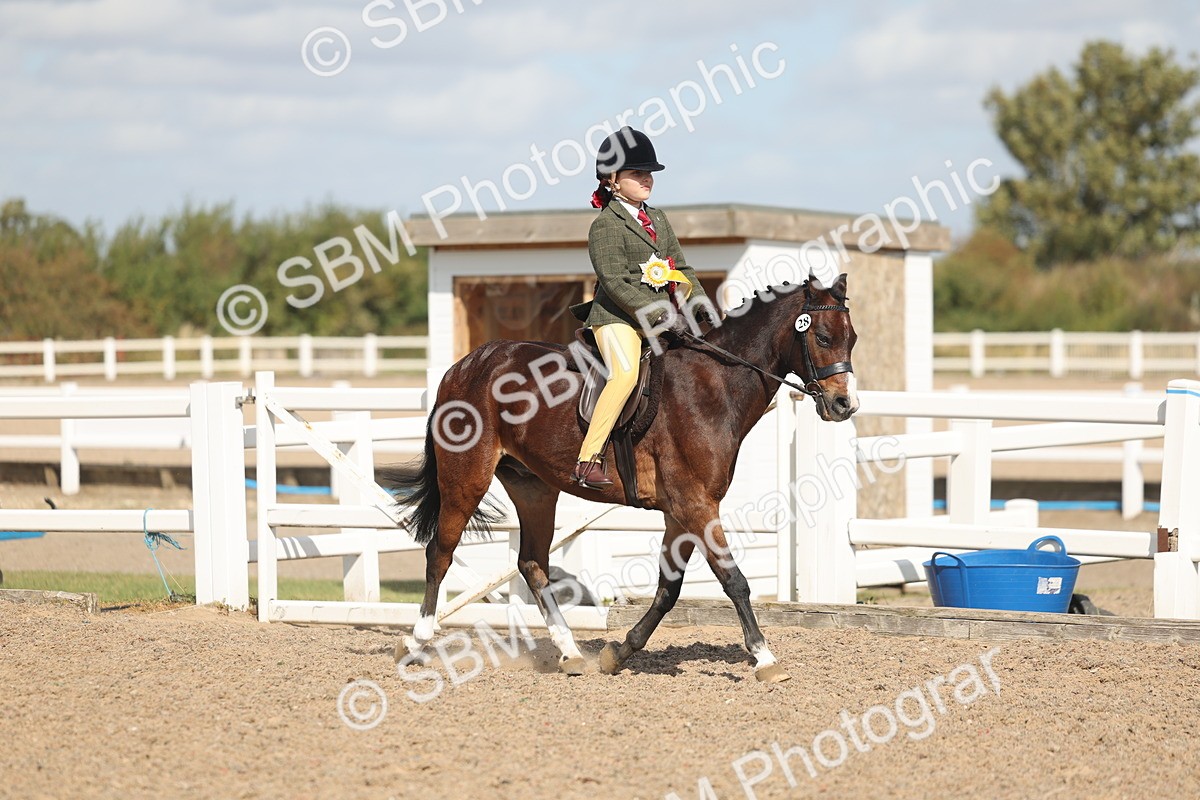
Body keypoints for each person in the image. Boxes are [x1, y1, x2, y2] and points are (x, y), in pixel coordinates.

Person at [568, 127, 713, 489]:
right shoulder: (604, 226)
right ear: (612, 180)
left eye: (649, 173)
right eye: (637, 173)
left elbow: (681, 266)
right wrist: (660, 314)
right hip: (617, 319)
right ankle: (588, 459)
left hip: (662, 317)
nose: (647, 179)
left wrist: (700, 305)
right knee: (626, 374)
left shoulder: (659, 219)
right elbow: (615, 283)